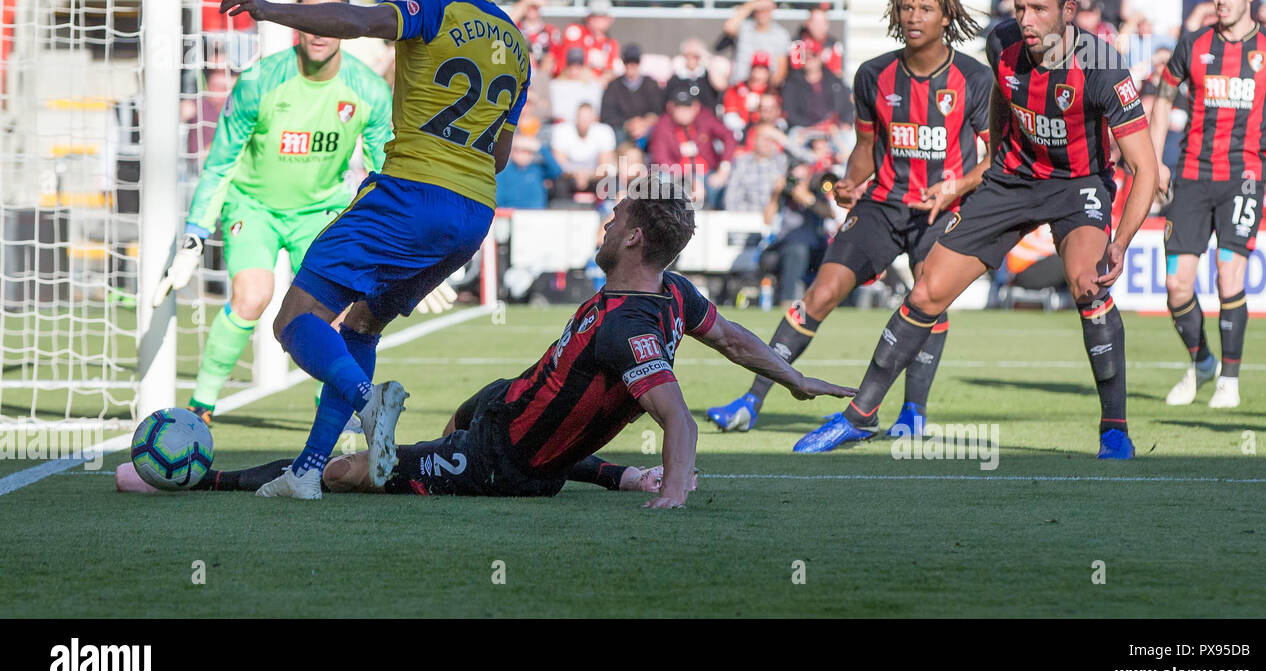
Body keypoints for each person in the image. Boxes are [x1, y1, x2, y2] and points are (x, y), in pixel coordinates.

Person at [121, 181, 854, 506]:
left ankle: (204, 480)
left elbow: (677, 416)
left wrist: (677, 488)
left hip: (507, 461)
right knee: (504, 414)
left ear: (633, 237)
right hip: (505, 404)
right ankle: (612, 475)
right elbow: (729, 338)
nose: (601, 224)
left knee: (352, 476)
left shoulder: (630, 327)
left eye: (613, 217)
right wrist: (789, 377)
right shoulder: (675, 294)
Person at [214, 0, 531, 499]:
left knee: (295, 319)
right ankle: (308, 471)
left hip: (410, 194)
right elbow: (502, 154)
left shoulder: (432, 5)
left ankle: (369, 400)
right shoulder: (516, 44)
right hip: (472, 216)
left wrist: (269, 9)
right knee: (362, 323)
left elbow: (358, 21)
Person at [792, 0, 1158, 458]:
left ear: (1069, 11)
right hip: (1010, 181)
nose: (1026, 20)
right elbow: (1003, 101)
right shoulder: (1001, 43)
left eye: (1039, 9)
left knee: (1088, 285)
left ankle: (1114, 429)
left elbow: (1145, 169)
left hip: (1077, 185)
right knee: (925, 293)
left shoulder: (1103, 67)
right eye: (1020, 7)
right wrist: (994, 162)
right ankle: (860, 417)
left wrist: (1119, 242)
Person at [707, 0, 991, 435]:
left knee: (928, 302)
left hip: (940, 210)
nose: (914, 17)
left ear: (946, 16)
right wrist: (846, 184)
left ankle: (912, 413)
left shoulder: (974, 79)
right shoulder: (873, 74)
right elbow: (865, 147)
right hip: (881, 204)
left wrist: (957, 187)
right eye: (907, 7)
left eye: (926, 9)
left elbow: (996, 155)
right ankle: (751, 402)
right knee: (818, 295)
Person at [153, 0, 392, 424]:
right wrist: (194, 235)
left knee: (335, 317)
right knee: (253, 295)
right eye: (310, 18)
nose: (320, 31)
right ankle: (200, 407)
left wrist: (404, 238)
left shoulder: (370, 91)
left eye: (330, 19)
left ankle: (334, 410)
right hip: (253, 207)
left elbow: (384, 172)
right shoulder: (259, 81)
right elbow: (221, 162)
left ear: (346, 24)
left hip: (320, 214)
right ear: (295, 21)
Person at [1147, 0, 1266, 409]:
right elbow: (1162, 97)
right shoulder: (1192, 44)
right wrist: (1155, 162)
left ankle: (1229, 380)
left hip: (1244, 177)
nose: (1221, 0)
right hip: (1192, 176)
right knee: (1177, 284)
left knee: (1228, 273)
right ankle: (1203, 360)